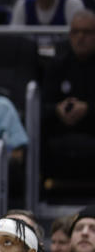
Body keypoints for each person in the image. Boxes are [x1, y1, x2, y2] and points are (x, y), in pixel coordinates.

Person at [42, 10, 95, 181]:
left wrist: (87, 108)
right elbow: (43, 104)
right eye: (75, 32)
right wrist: (58, 110)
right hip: (61, 127)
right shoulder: (57, 65)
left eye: (87, 32)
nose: (81, 37)